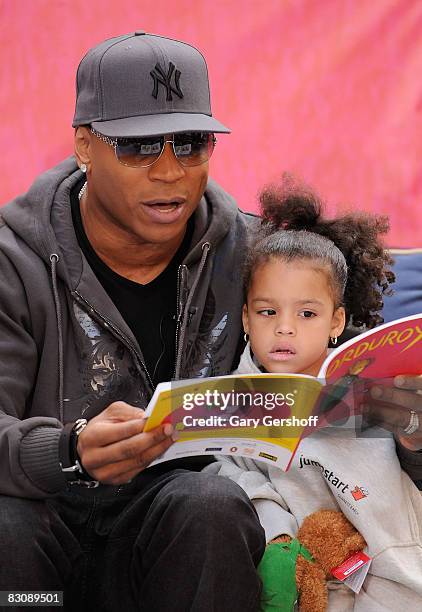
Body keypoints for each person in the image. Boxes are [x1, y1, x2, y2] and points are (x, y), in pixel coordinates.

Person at [0, 31, 266, 611]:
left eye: (191, 143)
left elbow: (333, 404)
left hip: (173, 536)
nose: (169, 172)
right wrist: (67, 451)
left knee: (211, 505)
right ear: (85, 146)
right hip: (43, 537)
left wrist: (405, 428)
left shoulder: (257, 258)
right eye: (139, 147)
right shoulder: (10, 261)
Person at [205, 182, 422, 609]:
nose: (285, 328)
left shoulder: (370, 380)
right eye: (269, 312)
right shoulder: (231, 400)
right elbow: (231, 476)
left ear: (336, 321)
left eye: (307, 314)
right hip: (305, 578)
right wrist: (279, 533)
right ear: (247, 318)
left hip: (401, 565)